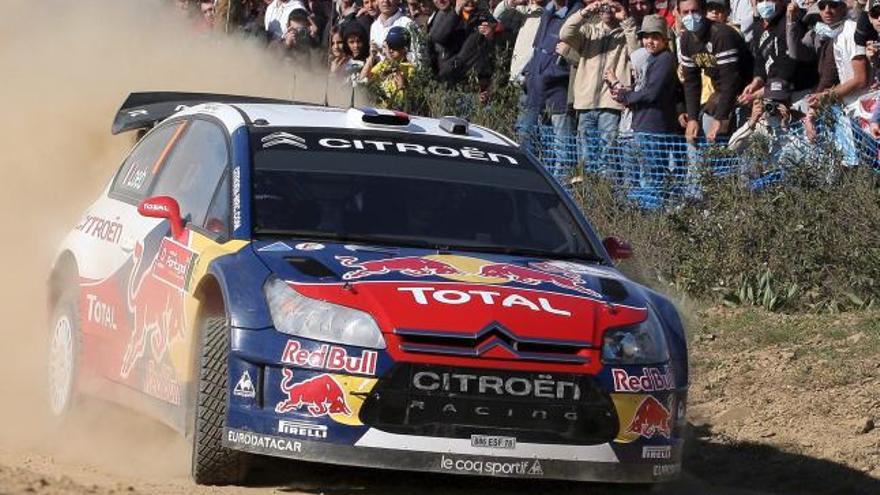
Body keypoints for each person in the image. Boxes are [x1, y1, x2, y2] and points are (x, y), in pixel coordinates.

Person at [559, 0, 639, 168]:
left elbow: (637, 55)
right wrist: (585, 12)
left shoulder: (627, 33)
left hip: (611, 104)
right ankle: (587, 191)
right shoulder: (589, 30)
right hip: (585, 102)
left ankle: (605, 191)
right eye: (603, 5)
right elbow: (565, 33)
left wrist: (625, 19)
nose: (607, 10)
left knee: (607, 156)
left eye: (611, 5)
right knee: (586, 156)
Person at [606, 14, 680, 188]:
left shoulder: (665, 59)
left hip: (655, 127)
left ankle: (655, 212)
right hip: (644, 125)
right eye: (646, 37)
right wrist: (626, 92)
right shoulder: (652, 58)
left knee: (652, 177)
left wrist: (626, 97)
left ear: (664, 39)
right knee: (644, 176)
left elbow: (651, 93)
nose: (649, 41)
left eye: (655, 37)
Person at [519, 0, 583, 174]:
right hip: (535, 89)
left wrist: (550, 74)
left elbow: (578, 57)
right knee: (531, 142)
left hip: (558, 94)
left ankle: (563, 189)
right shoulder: (547, 13)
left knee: (562, 147)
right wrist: (528, 72)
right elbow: (538, 50)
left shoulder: (577, 15)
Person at [678, 0, 750, 143]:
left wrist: (719, 119)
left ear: (704, 11)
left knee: (739, 150)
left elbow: (731, 79)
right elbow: (691, 81)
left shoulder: (721, 34)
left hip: (746, 94)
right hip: (720, 94)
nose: (690, 16)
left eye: (694, 11)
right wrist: (692, 118)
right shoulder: (686, 39)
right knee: (696, 137)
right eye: (685, 12)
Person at [362, 26, 417, 108]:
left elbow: (410, 98)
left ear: (404, 49)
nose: (391, 50)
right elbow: (363, 78)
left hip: (397, 110)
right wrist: (371, 58)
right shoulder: (383, 64)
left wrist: (403, 86)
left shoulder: (410, 69)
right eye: (390, 46)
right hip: (379, 108)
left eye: (396, 47)